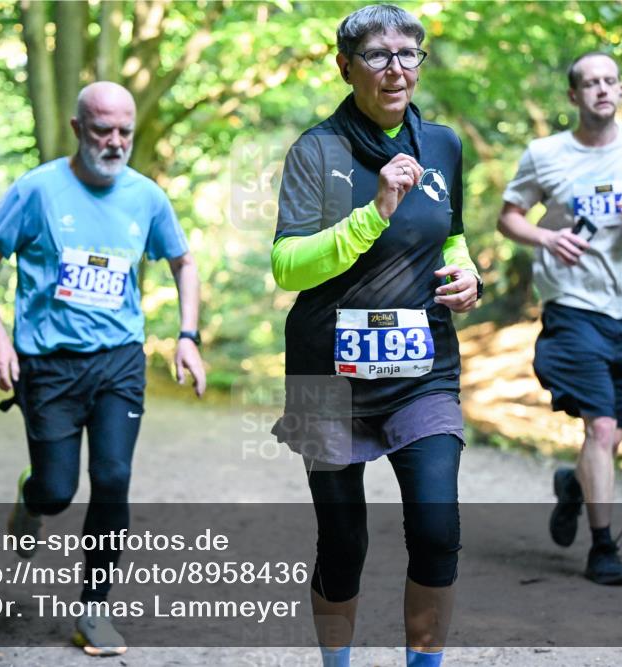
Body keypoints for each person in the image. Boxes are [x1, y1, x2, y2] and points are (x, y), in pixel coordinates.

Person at [270, 6, 481, 666]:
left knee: (437, 528)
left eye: (409, 54)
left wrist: (467, 273)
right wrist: (374, 213)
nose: (397, 68)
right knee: (342, 539)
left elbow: (450, 232)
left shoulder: (442, 145)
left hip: (422, 370)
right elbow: (287, 265)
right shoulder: (315, 151)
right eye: (379, 55)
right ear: (345, 66)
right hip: (324, 374)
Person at [0, 81, 206, 657]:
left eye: (125, 130)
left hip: (119, 360)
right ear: (78, 129)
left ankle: (94, 611)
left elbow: (184, 260)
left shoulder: (146, 197)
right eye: (103, 130)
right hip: (47, 364)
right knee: (56, 490)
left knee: (114, 477)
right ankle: (33, 498)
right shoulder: (38, 190)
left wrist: (188, 335)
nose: (116, 141)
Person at [498, 51, 622, 585]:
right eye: (590, 83)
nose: (602, 89)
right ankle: (603, 549)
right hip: (573, 304)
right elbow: (509, 217)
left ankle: (574, 487)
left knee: (611, 437)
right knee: (599, 427)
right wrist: (546, 236)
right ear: (573, 96)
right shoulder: (544, 154)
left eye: (610, 81)